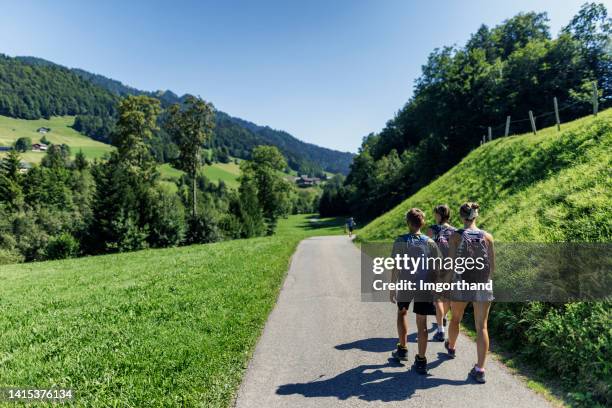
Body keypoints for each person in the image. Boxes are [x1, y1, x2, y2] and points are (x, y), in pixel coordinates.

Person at [445, 202, 495, 384]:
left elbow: (450, 265)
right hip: (483, 284)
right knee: (482, 326)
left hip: (461, 283)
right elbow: (492, 267)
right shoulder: (488, 237)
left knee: (456, 318)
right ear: (476, 216)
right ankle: (480, 370)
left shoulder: (455, 236)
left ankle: (451, 347)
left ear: (461, 217)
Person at [389, 208, 441, 375]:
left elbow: (395, 266)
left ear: (408, 223)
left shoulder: (400, 240)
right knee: (422, 323)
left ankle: (403, 349)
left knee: (402, 313)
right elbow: (437, 267)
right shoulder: (430, 242)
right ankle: (421, 360)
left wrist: (392, 287)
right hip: (424, 286)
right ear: (422, 223)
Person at [426, 204, 456, 342]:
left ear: (438, 215)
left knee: (437, 298)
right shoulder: (455, 231)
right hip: (451, 268)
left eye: (435, 214)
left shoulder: (431, 230)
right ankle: (442, 318)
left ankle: (440, 330)